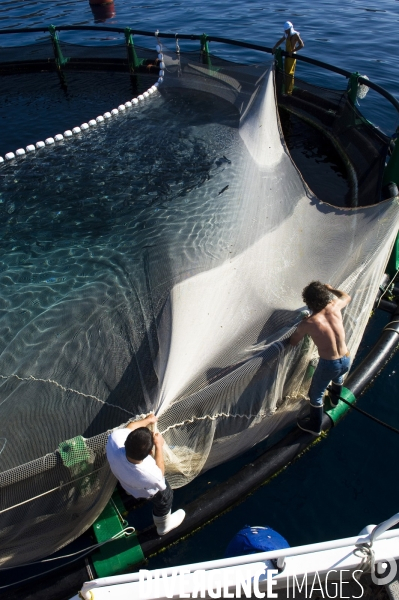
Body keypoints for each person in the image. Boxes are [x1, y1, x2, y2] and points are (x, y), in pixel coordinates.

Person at [106, 414, 185, 535]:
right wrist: (159, 446)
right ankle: (163, 526)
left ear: (127, 440)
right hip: (146, 490)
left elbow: (130, 427)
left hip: (124, 479)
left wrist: (148, 420)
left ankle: (129, 492)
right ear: (149, 452)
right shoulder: (149, 472)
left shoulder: (114, 438)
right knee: (166, 497)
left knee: (129, 483)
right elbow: (160, 475)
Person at [290, 282, 351, 435]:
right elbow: (346, 296)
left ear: (308, 302)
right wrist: (331, 289)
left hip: (329, 364)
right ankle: (335, 400)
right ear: (326, 297)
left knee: (316, 396)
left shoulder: (308, 323)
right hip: (346, 358)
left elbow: (293, 342)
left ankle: (315, 427)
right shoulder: (335, 306)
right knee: (338, 378)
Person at [272, 21, 304, 95]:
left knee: (290, 73)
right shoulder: (286, 35)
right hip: (287, 55)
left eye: (286, 30)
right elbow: (280, 41)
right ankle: (285, 89)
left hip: (292, 56)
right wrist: (274, 47)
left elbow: (301, 45)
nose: (285, 31)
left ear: (290, 29)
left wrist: (293, 51)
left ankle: (289, 91)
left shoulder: (296, 35)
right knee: (286, 72)